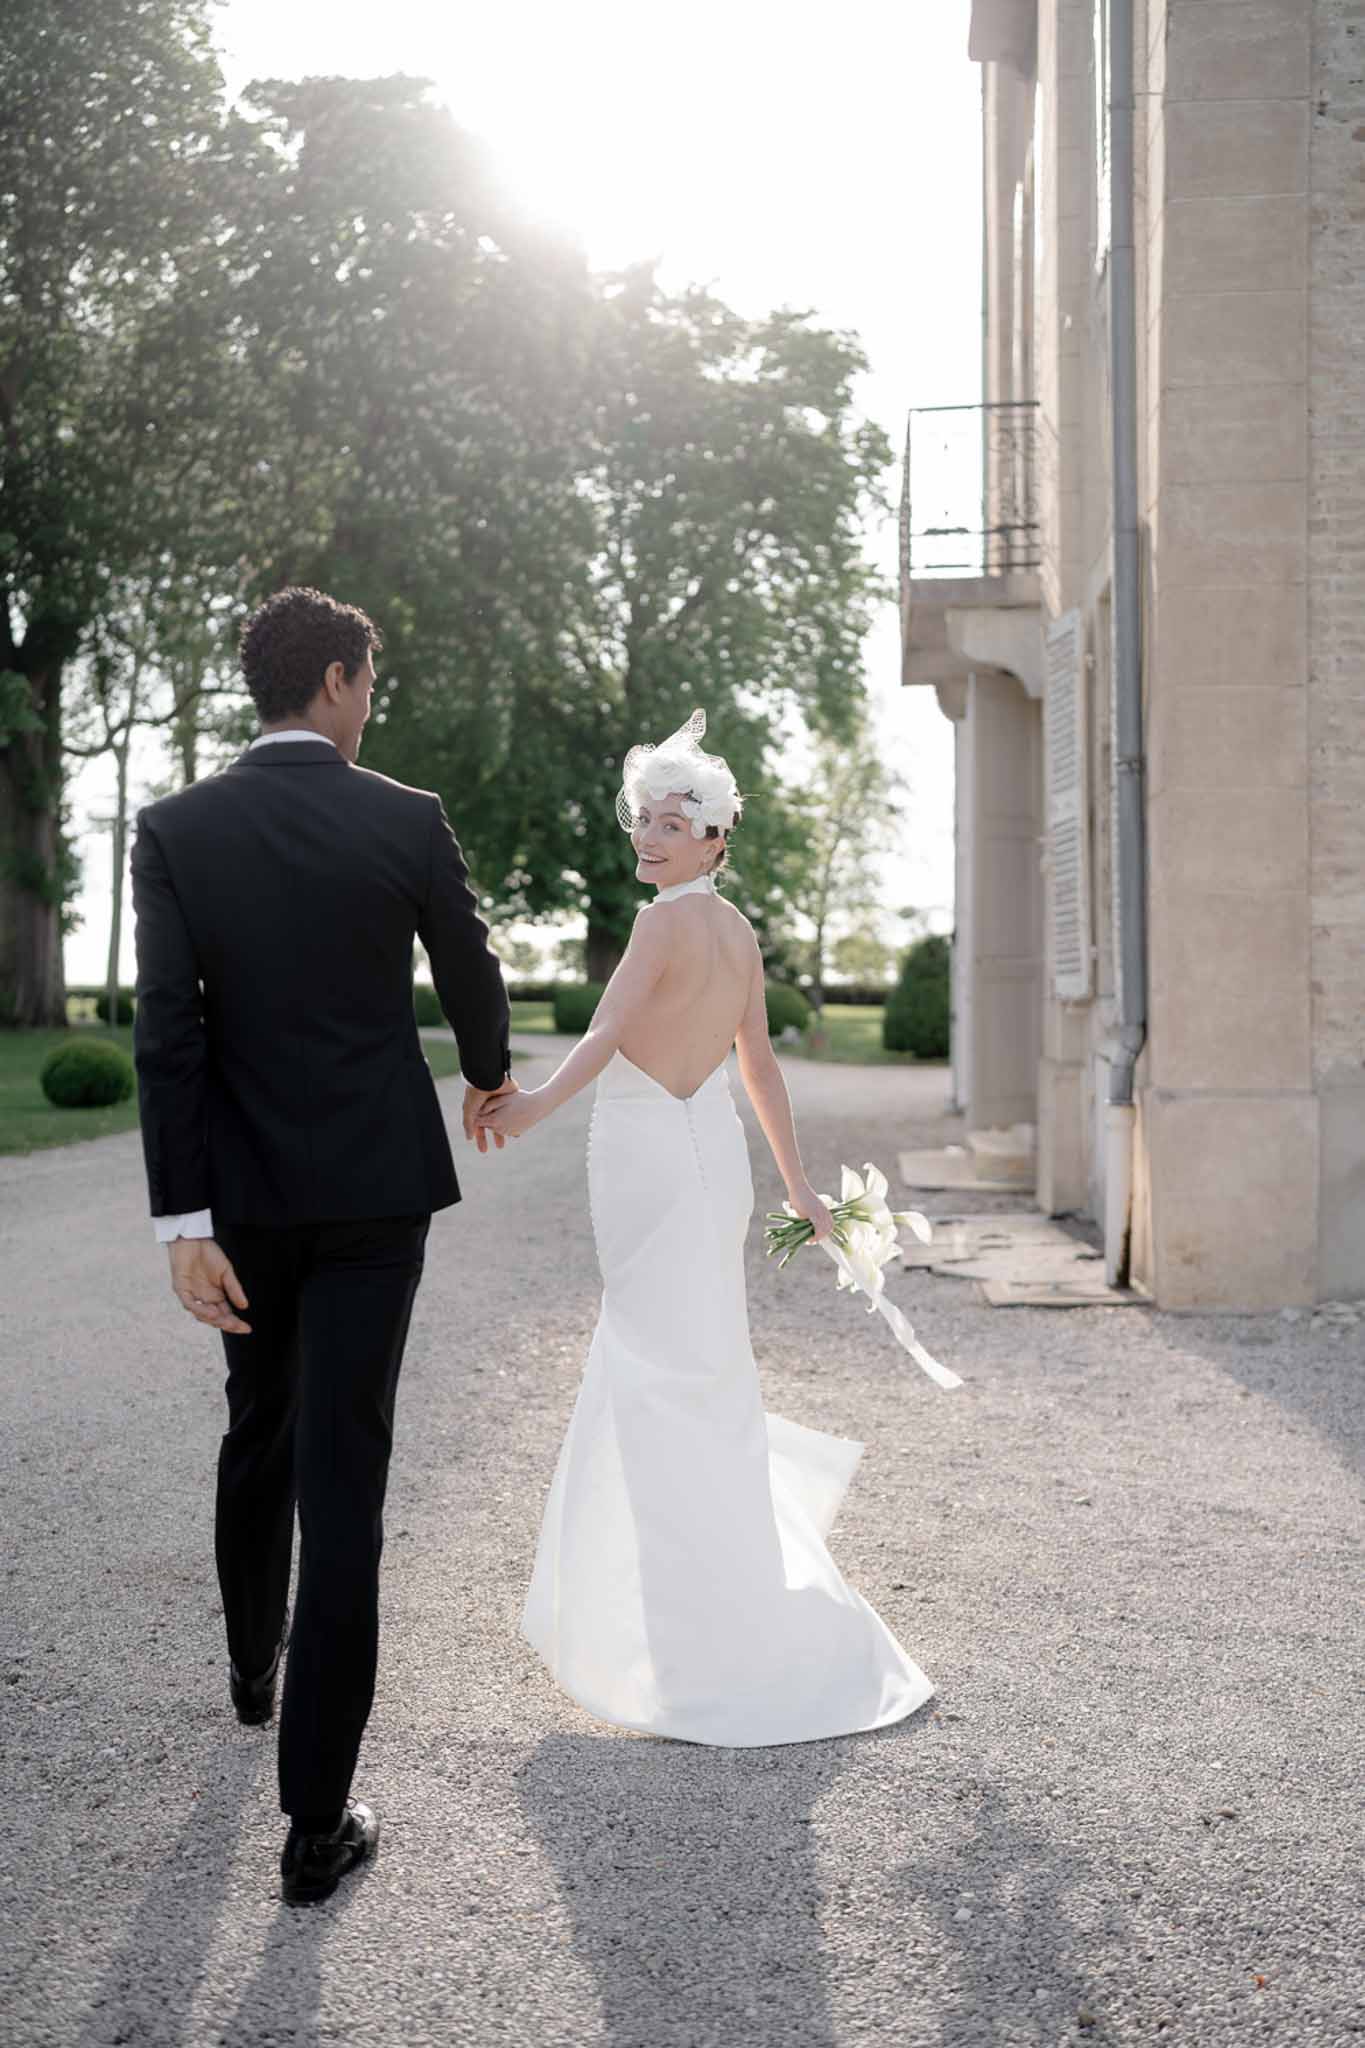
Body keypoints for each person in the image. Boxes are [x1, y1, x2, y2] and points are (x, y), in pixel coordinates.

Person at [131, 585, 516, 1904]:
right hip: (370, 1195)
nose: (372, 704)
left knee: (260, 1423)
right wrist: (484, 1072)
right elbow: (468, 964)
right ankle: (313, 1829)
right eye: (372, 684)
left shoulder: (175, 828)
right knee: (343, 1479)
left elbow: (167, 1036)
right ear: (343, 681)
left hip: (239, 1199)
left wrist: (182, 1227)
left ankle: (253, 1671)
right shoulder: (403, 818)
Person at [477, 710, 935, 1745]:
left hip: (646, 1153)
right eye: (643, 817)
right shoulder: (737, 933)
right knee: (705, 1371)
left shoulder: (663, 923)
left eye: (673, 821)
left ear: (717, 836)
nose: (651, 835)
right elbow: (757, 1070)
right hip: (715, 1157)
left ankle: (684, 1636)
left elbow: (607, 1028)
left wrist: (535, 1103)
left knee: (651, 1367)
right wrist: (802, 1190)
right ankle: (717, 1606)